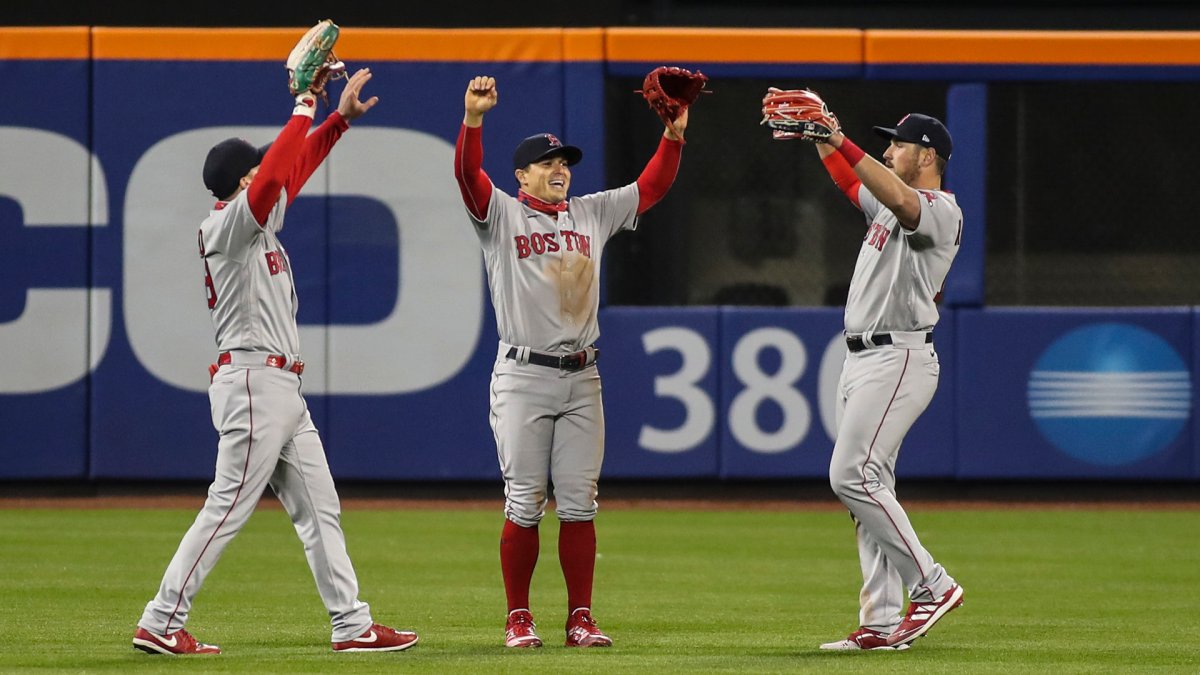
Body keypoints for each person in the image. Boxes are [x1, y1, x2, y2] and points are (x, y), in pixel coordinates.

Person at [132, 69, 419, 656]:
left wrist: (336, 122)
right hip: (254, 383)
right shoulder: (230, 224)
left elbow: (290, 168)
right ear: (242, 180)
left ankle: (351, 623)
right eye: (258, 167)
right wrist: (305, 102)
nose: (272, 170)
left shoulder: (254, 225)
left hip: (282, 388)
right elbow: (274, 177)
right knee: (229, 505)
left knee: (320, 509)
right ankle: (161, 620)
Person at [453, 75, 688, 649]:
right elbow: (466, 175)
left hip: (583, 376)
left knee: (580, 503)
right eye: (547, 162)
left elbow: (650, 188)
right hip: (523, 375)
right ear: (522, 174)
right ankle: (518, 616)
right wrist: (474, 120)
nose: (560, 169)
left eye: (565, 161)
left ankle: (580, 617)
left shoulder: (591, 213)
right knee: (525, 502)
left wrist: (674, 135)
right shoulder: (501, 215)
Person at [807, 110, 965, 651]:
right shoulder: (889, 198)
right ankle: (879, 620)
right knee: (871, 488)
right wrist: (821, 142)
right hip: (862, 360)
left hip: (899, 357)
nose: (890, 151)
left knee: (850, 475)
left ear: (927, 157)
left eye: (898, 145)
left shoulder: (941, 211)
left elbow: (900, 199)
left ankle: (933, 584)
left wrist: (839, 137)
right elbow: (855, 181)